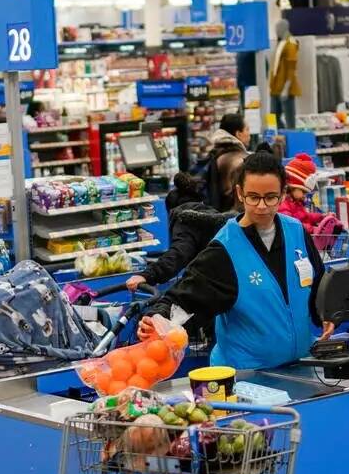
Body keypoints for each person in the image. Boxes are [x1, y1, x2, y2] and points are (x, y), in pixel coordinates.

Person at [138, 151, 334, 370]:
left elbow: (318, 283)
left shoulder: (296, 231)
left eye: (270, 197)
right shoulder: (224, 249)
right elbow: (184, 298)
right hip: (246, 376)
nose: (262, 206)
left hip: (299, 367)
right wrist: (155, 318)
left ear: (283, 194)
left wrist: (328, 313)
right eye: (253, 197)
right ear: (240, 193)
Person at [203, 113, 251, 212]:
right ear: (238, 134)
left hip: (217, 213)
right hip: (234, 217)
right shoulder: (240, 160)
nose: (249, 134)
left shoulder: (216, 153)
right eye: (247, 129)